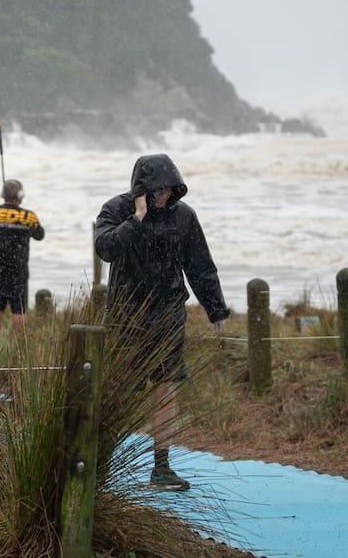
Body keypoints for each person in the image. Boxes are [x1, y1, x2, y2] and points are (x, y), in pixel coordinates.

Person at [94, 153, 229, 492]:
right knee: (118, 387)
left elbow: (200, 265)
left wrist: (215, 309)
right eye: (158, 190)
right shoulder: (115, 209)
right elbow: (104, 248)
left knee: (166, 386)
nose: (165, 195)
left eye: (170, 189)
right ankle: (99, 467)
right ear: (142, 187)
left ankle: (161, 468)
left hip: (168, 312)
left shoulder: (184, 216)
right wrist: (137, 218)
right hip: (126, 314)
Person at [0, 179, 45, 342]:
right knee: (19, 309)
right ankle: (16, 344)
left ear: (3, 195)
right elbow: (39, 235)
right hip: (19, 269)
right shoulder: (28, 216)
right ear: (21, 195)